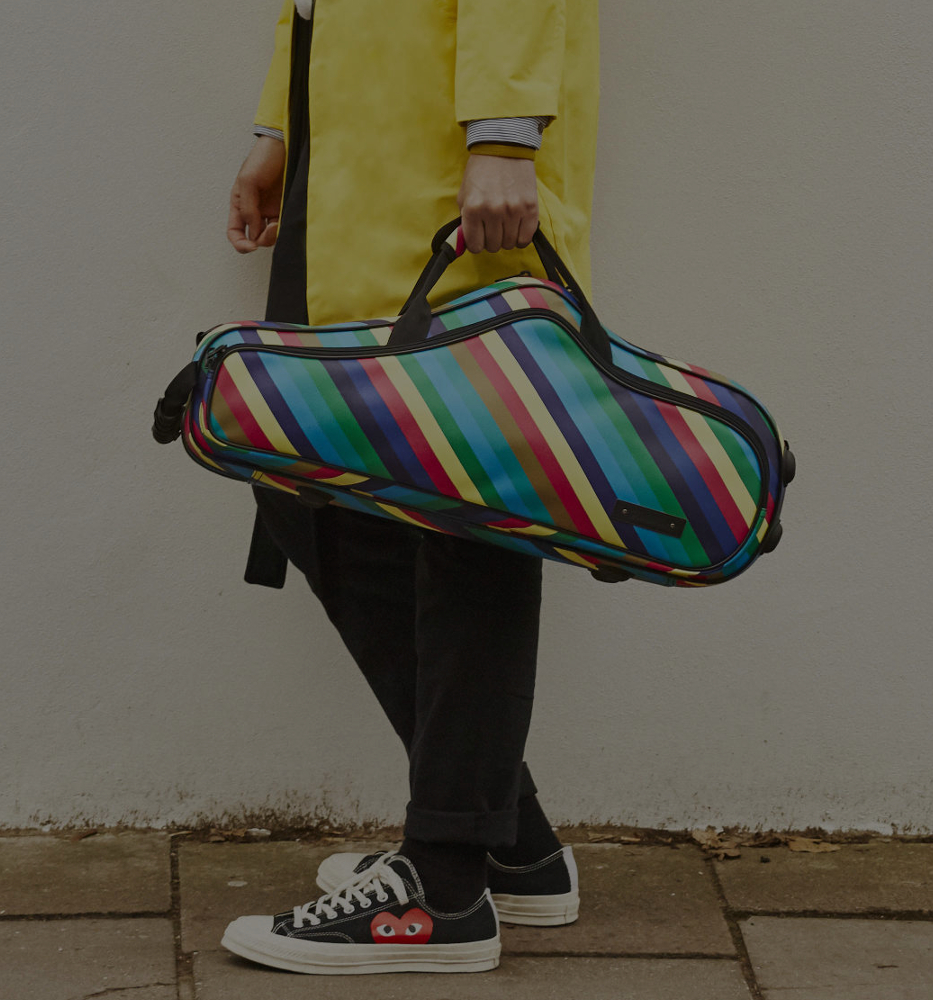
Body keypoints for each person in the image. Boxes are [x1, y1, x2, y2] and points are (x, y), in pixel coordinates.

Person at [219, 0, 600, 975]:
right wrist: (281, 124)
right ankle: (503, 837)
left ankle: (442, 880)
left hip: (448, 158)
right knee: (300, 482)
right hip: (350, 151)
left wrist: (503, 134)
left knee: (472, 503)